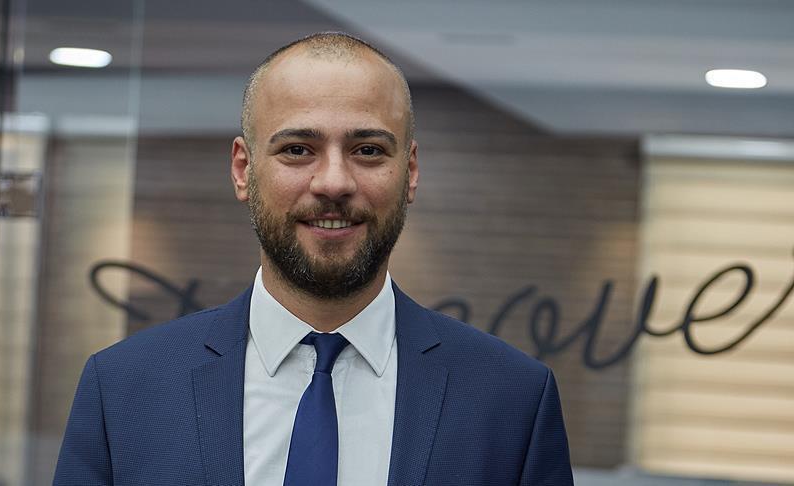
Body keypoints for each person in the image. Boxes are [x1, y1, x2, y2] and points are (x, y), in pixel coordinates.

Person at [54, 32, 573, 486]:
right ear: (243, 170)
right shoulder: (123, 389)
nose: (333, 183)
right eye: (298, 149)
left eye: (368, 150)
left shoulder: (512, 401)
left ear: (410, 172)